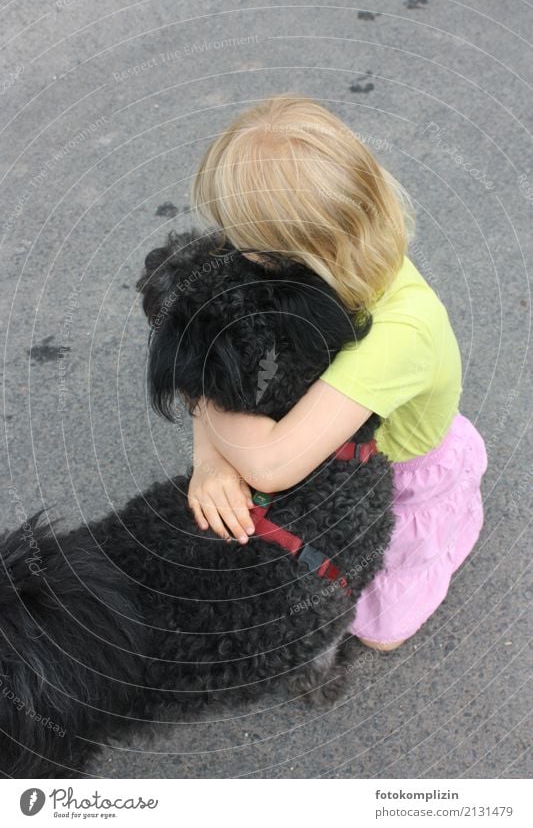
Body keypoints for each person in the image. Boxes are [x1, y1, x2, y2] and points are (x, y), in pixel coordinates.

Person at [186, 94, 487, 651]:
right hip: (337, 458)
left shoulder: (403, 333)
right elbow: (225, 373)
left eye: (244, 241)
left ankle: (448, 532)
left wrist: (218, 435)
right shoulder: (325, 264)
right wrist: (209, 461)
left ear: (300, 250)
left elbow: (272, 463)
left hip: (403, 476)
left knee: (380, 629)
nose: (231, 252)